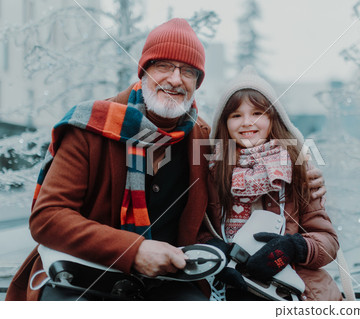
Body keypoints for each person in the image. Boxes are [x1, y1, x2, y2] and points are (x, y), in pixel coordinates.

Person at [6, 19, 326, 301]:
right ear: (143, 70)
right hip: (85, 277)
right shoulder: (92, 127)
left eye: (188, 71)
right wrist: (134, 252)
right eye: (164, 66)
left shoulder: (201, 137)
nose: (175, 79)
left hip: (169, 281)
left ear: (197, 83)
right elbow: (47, 217)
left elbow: (255, 155)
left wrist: (305, 171)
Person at [203, 66, 342, 301]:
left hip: (289, 290)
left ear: (272, 117)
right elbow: (198, 232)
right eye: (236, 115)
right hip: (229, 289)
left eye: (257, 113)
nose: (247, 122)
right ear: (224, 124)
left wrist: (292, 248)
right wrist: (218, 252)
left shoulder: (298, 168)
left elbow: (328, 242)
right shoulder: (212, 170)